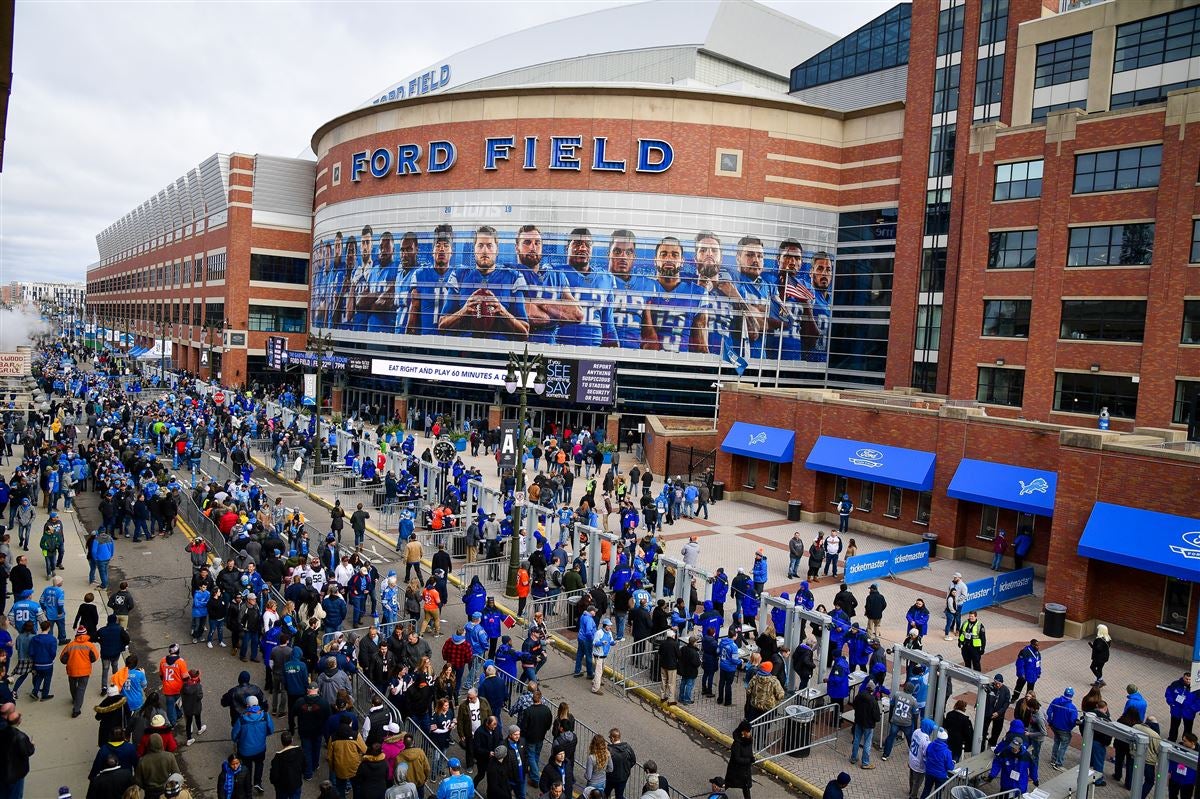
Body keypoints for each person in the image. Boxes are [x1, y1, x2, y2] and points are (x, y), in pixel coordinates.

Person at [231, 694, 274, 792]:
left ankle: (248, 784)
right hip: (260, 748)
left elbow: (234, 735)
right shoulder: (265, 716)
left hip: (245, 750)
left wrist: (237, 741)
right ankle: (257, 783)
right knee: (259, 764)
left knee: (247, 767)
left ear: (247, 706)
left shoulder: (242, 719)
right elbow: (271, 730)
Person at [60, 623, 99, 717]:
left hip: (72, 670)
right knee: (81, 689)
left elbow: (62, 659)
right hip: (84, 671)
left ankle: (75, 699)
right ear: (85, 635)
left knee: (73, 686)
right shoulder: (90, 645)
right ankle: (76, 709)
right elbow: (95, 658)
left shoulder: (70, 645)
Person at [986, 731, 1039, 795]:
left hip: (1020, 785)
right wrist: (992, 775)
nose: (1014, 749)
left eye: (1016, 748)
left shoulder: (1026, 756)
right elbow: (997, 763)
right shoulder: (1005, 753)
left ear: (1020, 746)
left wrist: (1035, 779)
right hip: (1006, 784)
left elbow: (1033, 767)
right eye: (1013, 747)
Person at [882, 682, 918, 761]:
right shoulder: (913, 700)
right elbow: (915, 715)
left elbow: (891, 706)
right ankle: (913, 754)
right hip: (907, 723)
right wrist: (915, 726)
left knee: (891, 737)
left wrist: (890, 717)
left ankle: (885, 754)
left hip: (896, 720)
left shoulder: (897, 694)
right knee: (909, 738)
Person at [1046, 686, 1078, 771]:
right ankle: (1058, 763)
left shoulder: (1056, 700)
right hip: (1064, 729)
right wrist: (1070, 727)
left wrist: (1050, 722)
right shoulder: (1072, 707)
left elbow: (1049, 712)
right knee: (1063, 745)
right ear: (1072, 695)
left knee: (1057, 742)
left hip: (1055, 726)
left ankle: (1053, 759)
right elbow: (1073, 721)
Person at [269, 730, 304, 799]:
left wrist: (275, 784)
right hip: (296, 784)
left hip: (282, 787)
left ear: (282, 742)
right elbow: (304, 766)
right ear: (292, 740)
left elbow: (274, 776)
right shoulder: (299, 752)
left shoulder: (277, 758)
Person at [724, 721, 754, 799]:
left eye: (749, 732)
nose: (749, 734)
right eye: (747, 732)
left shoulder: (749, 740)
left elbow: (750, 751)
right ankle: (718, 793)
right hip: (736, 770)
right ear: (743, 732)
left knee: (746, 788)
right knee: (729, 783)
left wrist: (752, 758)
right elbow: (737, 759)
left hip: (745, 771)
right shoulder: (737, 744)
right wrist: (749, 760)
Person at [1167, 673, 1200, 742]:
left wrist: (1192, 709)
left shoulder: (1196, 688)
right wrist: (1171, 702)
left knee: (1187, 729)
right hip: (1176, 710)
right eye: (1186, 679)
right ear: (1183, 677)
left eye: (1189, 679)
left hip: (1189, 712)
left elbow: (1199, 701)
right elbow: (1169, 692)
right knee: (1174, 727)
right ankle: (1171, 740)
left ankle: (1185, 743)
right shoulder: (1176, 684)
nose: (1188, 681)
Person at [607, 728, 636, 799]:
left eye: (610, 737)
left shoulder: (609, 750)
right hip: (623, 778)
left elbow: (606, 764)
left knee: (605, 793)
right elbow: (633, 760)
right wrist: (626, 769)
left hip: (611, 778)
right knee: (619, 795)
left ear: (613, 738)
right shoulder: (628, 747)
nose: (609, 739)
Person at [983, 674, 1011, 748]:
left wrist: (999, 713)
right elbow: (983, 697)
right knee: (984, 729)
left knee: (996, 731)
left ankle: (992, 743)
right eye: (996, 683)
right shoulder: (990, 687)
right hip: (988, 713)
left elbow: (1006, 704)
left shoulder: (1006, 691)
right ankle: (982, 744)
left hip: (999, 715)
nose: (997, 685)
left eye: (999, 683)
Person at [943, 574, 967, 640]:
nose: (954, 578)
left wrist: (956, 599)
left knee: (957, 617)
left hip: (958, 604)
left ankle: (958, 630)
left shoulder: (963, 585)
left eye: (955, 577)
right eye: (954, 577)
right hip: (951, 602)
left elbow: (964, 595)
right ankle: (951, 628)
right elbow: (948, 591)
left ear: (959, 578)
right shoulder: (952, 583)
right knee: (952, 616)